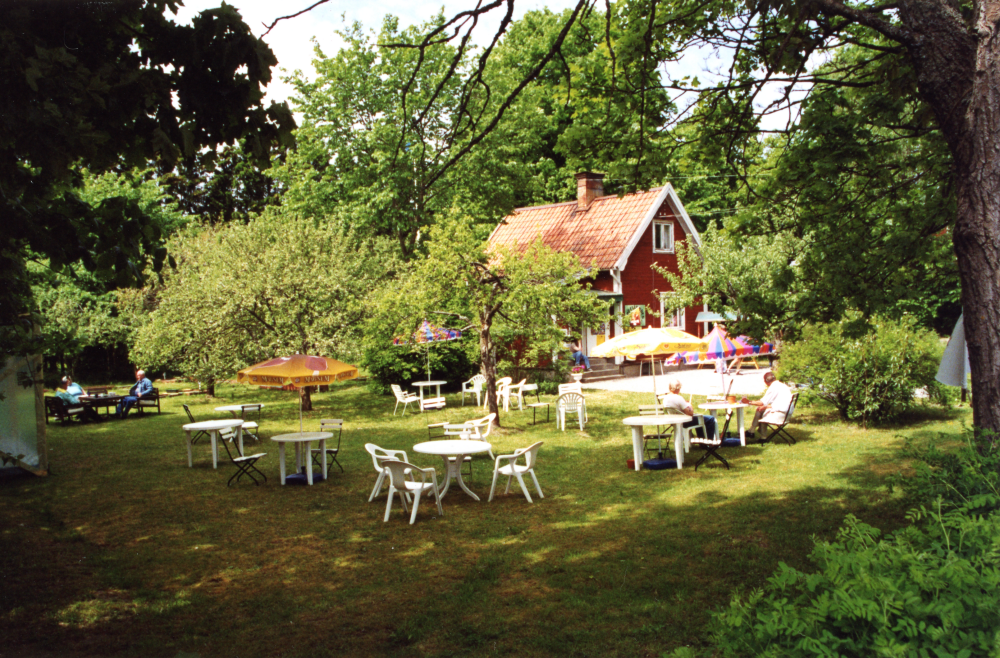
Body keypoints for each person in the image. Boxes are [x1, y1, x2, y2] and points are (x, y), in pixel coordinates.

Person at [744, 371, 792, 437]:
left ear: (765, 381)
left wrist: (749, 402)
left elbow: (762, 402)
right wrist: (766, 407)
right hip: (787, 413)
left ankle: (762, 437)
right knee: (761, 409)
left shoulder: (773, 387)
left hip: (781, 415)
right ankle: (751, 430)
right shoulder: (782, 385)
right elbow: (779, 403)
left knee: (762, 411)